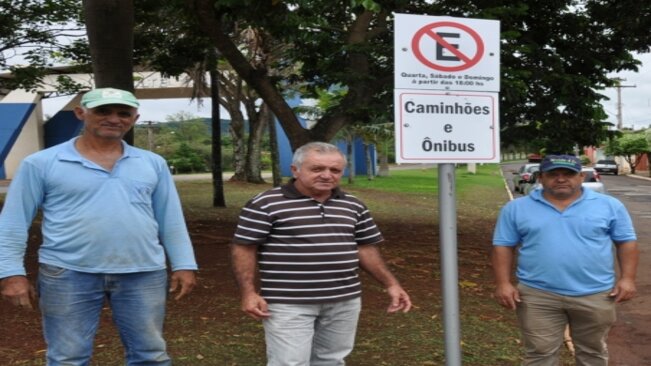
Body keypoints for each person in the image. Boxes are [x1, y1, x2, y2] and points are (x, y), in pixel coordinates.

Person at [0, 88, 198, 365]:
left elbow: (170, 219)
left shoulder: (152, 163)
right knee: (68, 358)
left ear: (135, 118)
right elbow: (13, 221)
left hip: (143, 272)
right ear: (81, 113)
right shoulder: (41, 163)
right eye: (103, 111)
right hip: (67, 272)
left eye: (123, 113)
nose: (114, 118)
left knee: (150, 355)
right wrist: (10, 273)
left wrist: (184, 263)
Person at [231, 141, 412, 366]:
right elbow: (244, 247)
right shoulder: (266, 204)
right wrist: (248, 293)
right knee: (290, 362)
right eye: (317, 169)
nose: (327, 175)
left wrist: (391, 284)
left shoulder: (353, 205)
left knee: (332, 360)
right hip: (289, 302)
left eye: (334, 170)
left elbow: (365, 248)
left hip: (344, 300)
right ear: (295, 170)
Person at [492, 154, 639, 366]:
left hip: (595, 293)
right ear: (541, 177)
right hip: (538, 295)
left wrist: (628, 279)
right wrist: (503, 283)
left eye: (568, 174)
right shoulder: (516, 208)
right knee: (539, 354)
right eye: (553, 174)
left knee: (593, 352)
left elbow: (626, 242)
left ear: (581, 176)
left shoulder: (609, 206)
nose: (561, 179)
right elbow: (503, 246)